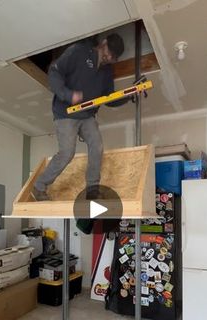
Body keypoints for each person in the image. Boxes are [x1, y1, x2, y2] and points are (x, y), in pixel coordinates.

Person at [32, 33, 127, 201]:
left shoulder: (106, 71)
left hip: (88, 115)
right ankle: (39, 187)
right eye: (108, 52)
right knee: (67, 152)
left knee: (96, 146)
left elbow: (108, 98)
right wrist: (68, 94)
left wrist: (129, 96)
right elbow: (54, 72)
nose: (109, 57)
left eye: (113, 57)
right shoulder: (79, 52)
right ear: (103, 43)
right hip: (66, 113)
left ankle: (92, 189)